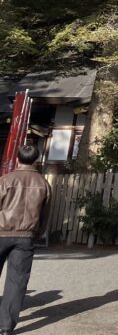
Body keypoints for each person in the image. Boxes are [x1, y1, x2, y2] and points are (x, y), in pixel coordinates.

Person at [0, 143, 51, 334]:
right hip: (26, 237)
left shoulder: (5, 180)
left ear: (17, 159)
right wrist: (36, 233)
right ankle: (5, 326)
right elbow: (45, 214)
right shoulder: (43, 183)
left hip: (1, 231)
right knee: (17, 281)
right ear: (36, 160)